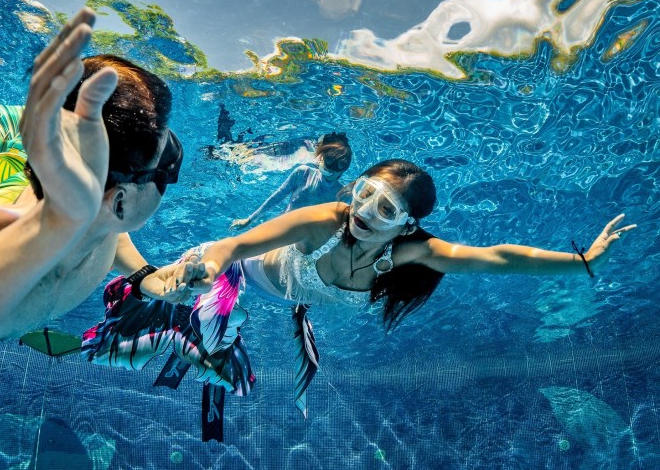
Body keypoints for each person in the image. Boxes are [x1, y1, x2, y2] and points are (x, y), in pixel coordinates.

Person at [82, 158, 636, 417]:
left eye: (386, 208)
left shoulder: (412, 254)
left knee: (215, 337)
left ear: (408, 225)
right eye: (366, 193)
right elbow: (241, 245)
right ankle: (112, 250)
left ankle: (169, 321)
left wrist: (582, 262)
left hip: (289, 299)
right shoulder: (326, 219)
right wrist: (212, 260)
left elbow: (495, 258)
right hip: (237, 275)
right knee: (171, 296)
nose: (367, 211)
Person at [0, 8, 183, 372]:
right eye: (168, 168)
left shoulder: (101, 224)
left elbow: (109, 233)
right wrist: (58, 223)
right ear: (119, 200)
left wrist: (145, 276)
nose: (174, 167)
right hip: (6, 192)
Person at [229, 132, 353, 230]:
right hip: (283, 227)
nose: (333, 169)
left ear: (345, 169)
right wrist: (249, 219)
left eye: (341, 165)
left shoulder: (343, 195)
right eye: (329, 161)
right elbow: (276, 198)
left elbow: (341, 227)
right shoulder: (303, 173)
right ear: (321, 158)